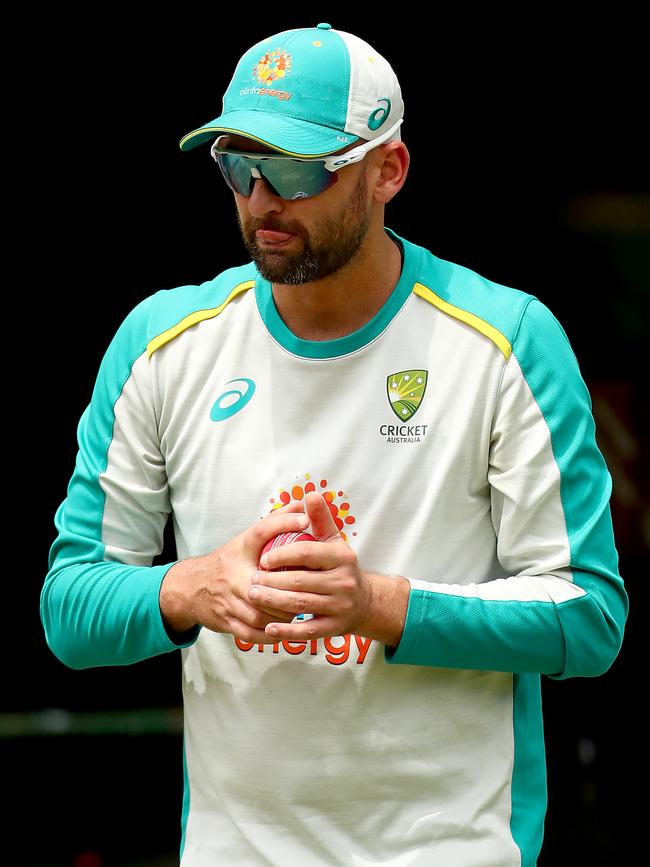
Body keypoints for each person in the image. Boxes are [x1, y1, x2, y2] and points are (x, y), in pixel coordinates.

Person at [41, 22, 628, 867]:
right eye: (237, 166)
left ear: (389, 169)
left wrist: (378, 605)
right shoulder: (159, 343)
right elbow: (69, 609)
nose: (261, 200)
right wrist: (191, 588)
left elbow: (590, 615)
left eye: (295, 168)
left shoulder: (508, 341)